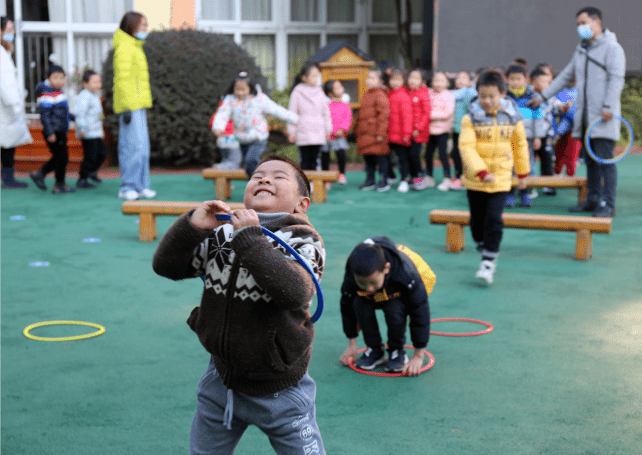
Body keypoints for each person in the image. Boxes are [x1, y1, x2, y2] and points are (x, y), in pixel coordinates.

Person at [153, 155, 326, 455]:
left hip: (281, 387)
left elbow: (296, 292)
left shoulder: (303, 239)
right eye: (257, 175)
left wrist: (249, 237)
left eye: (279, 176)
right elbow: (166, 265)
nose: (264, 179)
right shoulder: (223, 233)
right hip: (221, 381)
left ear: (302, 204)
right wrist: (193, 224)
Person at [532, 6, 625, 218]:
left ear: (597, 22)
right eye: (578, 25)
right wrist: (543, 96)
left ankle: (608, 204)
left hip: (603, 116)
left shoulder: (612, 48)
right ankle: (592, 200)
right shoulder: (581, 49)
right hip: (584, 118)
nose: (580, 28)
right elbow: (566, 76)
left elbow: (616, 79)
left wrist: (609, 107)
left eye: (583, 23)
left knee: (605, 160)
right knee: (591, 160)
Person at [459, 69, 530, 284]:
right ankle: (482, 242)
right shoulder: (470, 118)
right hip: (477, 180)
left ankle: (488, 261)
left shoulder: (513, 117)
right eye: (482, 96)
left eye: (492, 95)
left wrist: (523, 173)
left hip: (500, 179)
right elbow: (466, 147)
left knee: (494, 220)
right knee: (477, 223)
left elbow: (520, 146)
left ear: (502, 93)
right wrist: (481, 172)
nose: (487, 101)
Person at [338, 237, 434, 375]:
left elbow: (419, 312)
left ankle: (397, 351)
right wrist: (352, 344)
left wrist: (418, 355)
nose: (369, 288)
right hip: (378, 293)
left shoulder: (406, 273)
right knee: (359, 303)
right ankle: (375, 351)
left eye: (373, 282)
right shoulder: (352, 274)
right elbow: (346, 307)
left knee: (393, 308)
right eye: (363, 283)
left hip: (398, 292)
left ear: (386, 268)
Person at [213, 72, 298, 176]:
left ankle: (257, 183)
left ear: (250, 88)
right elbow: (222, 113)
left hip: (258, 136)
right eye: (237, 89)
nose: (239, 92)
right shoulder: (230, 100)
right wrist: (218, 127)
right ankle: (260, 179)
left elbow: (276, 110)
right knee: (249, 165)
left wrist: (296, 120)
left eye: (242, 89)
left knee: (251, 160)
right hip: (241, 138)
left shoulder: (259, 99)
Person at [113, 11, 155, 201]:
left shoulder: (135, 47)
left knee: (142, 147)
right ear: (132, 26)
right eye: (143, 25)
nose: (146, 29)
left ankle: (140, 186)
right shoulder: (125, 47)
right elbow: (122, 79)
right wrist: (127, 106)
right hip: (130, 106)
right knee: (132, 147)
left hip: (138, 105)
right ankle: (128, 186)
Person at [29, 66, 76, 194]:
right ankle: (58, 184)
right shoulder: (47, 94)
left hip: (59, 130)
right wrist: (50, 132)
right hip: (54, 131)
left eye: (62, 78)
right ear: (48, 79)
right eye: (55, 77)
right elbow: (45, 116)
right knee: (62, 158)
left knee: (60, 157)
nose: (59, 80)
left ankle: (40, 174)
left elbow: (62, 113)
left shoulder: (58, 92)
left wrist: (74, 118)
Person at [504, 64, 545, 207]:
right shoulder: (504, 96)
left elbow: (538, 118)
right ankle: (510, 194)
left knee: (528, 165)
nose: (515, 82)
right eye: (512, 79)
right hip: (508, 138)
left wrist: (538, 137)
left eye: (519, 79)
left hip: (527, 138)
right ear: (507, 80)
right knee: (510, 165)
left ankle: (525, 193)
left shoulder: (533, 97)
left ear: (526, 79)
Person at [1, 16, 32, 189]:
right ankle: (8, 179)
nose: (12, 33)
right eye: (9, 29)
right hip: (5, 108)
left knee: (7, 144)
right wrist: (15, 104)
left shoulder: (5, 53)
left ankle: (8, 178)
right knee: (6, 144)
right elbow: (5, 83)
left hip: (6, 108)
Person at [288, 62, 332, 171]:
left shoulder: (320, 92)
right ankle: (305, 184)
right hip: (303, 129)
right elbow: (292, 113)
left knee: (315, 158)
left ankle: (313, 183)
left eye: (317, 76)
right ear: (304, 78)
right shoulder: (297, 92)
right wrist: (291, 132)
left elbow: (326, 113)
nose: (316, 79)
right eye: (313, 76)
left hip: (318, 129)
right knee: (305, 159)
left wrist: (328, 130)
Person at [354, 69, 390, 191]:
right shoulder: (367, 93)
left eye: (373, 78)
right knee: (368, 159)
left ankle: (384, 180)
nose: (369, 80)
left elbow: (384, 115)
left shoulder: (380, 94)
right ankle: (370, 180)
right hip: (366, 133)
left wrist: (381, 133)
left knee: (380, 158)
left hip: (376, 133)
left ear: (380, 81)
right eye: (368, 77)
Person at [74, 70, 108, 189]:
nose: (98, 84)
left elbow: (98, 115)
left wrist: (101, 130)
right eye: (94, 82)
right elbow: (80, 114)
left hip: (95, 132)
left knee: (102, 152)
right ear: (85, 84)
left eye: (99, 82)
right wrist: (82, 128)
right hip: (87, 133)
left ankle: (92, 171)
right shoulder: (84, 96)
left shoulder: (95, 96)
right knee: (90, 156)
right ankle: (82, 179)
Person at [424, 72, 455, 191]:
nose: (438, 83)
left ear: (447, 83)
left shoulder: (449, 95)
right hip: (429, 131)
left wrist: (428, 116)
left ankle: (447, 178)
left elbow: (447, 113)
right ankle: (429, 177)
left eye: (441, 81)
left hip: (443, 131)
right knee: (428, 155)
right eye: (435, 80)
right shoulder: (429, 93)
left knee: (443, 155)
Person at [386, 69, 413, 193]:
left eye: (398, 79)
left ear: (403, 81)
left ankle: (405, 180)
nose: (395, 82)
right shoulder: (390, 94)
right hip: (391, 133)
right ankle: (392, 176)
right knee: (387, 157)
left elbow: (407, 117)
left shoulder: (403, 95)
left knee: (403, 159)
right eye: (393, 79)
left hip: (401, 135)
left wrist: (407, 133)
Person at [450, 71, 478, 191]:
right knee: (455, 153)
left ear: (470, 82)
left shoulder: (470, 93)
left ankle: (467, 177)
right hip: (456, 129)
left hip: (468, 130)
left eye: (464, 78)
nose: (460, 80)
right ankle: (458, 176)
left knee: (467, 154)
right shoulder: (452, 95)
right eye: (458, 77)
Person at [529, 68, 555, 195]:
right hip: (531, 135)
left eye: (548, 82)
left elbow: (559, 106)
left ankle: (548, 185)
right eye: (544, 81)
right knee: (528, 160)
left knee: (547, 160)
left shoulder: (550, 97)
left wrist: (565, 107)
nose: (547, 85)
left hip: (545, 136)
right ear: (534, 83)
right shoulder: (530, 97)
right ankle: (529, 186)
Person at [321, 80, 351, 186]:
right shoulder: (325, 105)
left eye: (341, 86)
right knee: (325, 155)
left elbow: (347, 118)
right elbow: (324, 119)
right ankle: (325, 178)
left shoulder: (345, 104)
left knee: (341, 154)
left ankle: (342, 174)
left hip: (339, 136)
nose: (341, 89)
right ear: (330, 93)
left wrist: (342, 129)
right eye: (337, 88)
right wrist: (330, 131)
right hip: (327, 136)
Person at [407, 68, 431, 190]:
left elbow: (426, 114)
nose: (412, 80)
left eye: (416, 78)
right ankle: (412, 178)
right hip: (408, 131)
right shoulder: (409, 93)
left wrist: (419, 128)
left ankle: (419, 178)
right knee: (409, 155)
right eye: (411, 77)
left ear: (423, 81)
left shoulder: (423, 93)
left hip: (418, 132)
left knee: (414, 154)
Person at [552, 84, 582, 177]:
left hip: (576, 128)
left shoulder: (581, 90)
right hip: (562, 128)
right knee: (559, 150)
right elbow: (555, 109)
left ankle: (570, 173)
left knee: (573, 152)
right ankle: (557, 171)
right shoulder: (559, 92)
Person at [210, 97, 242, 170]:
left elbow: (212, 125)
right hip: (232, 138)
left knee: (226, 159)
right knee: (235, 161)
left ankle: (220, 174)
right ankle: (220, 168)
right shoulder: (233, 110)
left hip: (221, 139)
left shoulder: (218, 112)